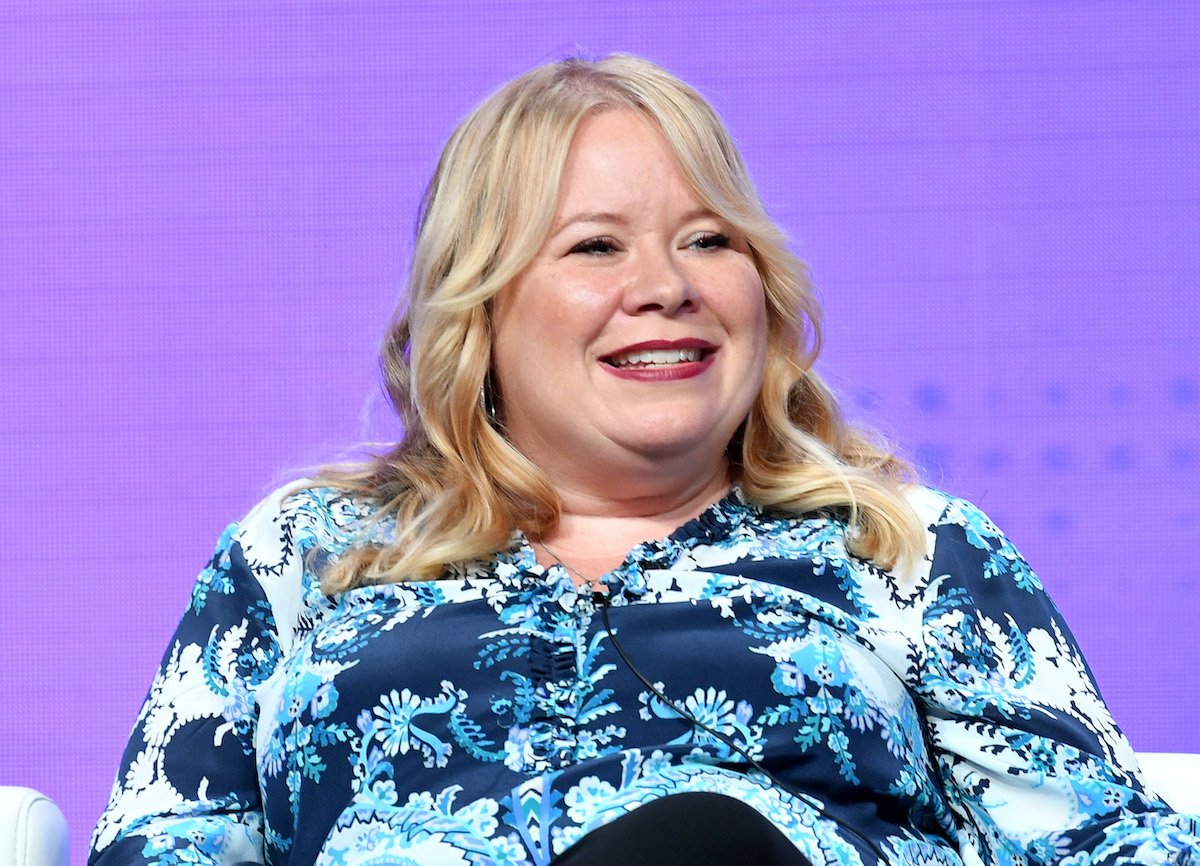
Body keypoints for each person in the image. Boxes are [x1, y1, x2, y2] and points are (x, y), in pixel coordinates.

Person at [89, 54, 1199, 866]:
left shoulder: (907, 550)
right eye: (596, 245)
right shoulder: (305, 552)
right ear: (481, 306)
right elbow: (163, 843)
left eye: (709, 238)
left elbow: (1109, 846)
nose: (667, 283)